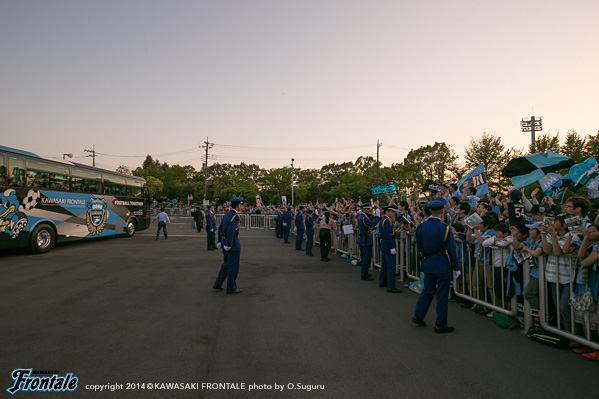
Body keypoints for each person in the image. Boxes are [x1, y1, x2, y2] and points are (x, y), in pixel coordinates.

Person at [412, 197, 459, 333]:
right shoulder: (445, 228)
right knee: (442, 294)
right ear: (443, 211)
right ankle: (440, 324)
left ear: (430, 210)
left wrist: (424, 261)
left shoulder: (421, 227)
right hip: (441, 263)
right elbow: (450, 250)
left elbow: (419, 247)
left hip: (428, 262)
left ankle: (418, 315)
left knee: (427, 290)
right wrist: (455, 267)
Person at [213, 197, 244, 294]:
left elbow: (220, 228)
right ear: (238, 205)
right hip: (232, 244)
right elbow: (231, 231)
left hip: (224, 241)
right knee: (233, 267)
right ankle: (231, 287)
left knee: (226, 265)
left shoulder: (227, 214)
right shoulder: (235, 216)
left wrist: (220, 241)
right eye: (241, 204)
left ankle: (218, 283)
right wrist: (229, 244)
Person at [378, 205, 402, 293]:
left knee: (384, 266)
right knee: (391, 266)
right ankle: (391, 286)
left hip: (384, 244)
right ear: (387, 211)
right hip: (388, 244)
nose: (393, 213)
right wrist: (392, 247)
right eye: (392, 211)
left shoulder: (383, 220)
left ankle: (382, 282)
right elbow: (388, 235)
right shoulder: (387, 221)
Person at [357, 203, 380, 281]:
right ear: (364, 209)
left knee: (365, 258)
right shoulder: (363, 218)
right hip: (365, 239)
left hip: (364, 239)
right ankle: (364, 274)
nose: (369, 210)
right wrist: (377, 217)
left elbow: (369, 220)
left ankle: (365, 273)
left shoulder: (363, 217)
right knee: (366, 258)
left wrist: (373, 216)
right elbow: (371, 224)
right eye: (367, 209)